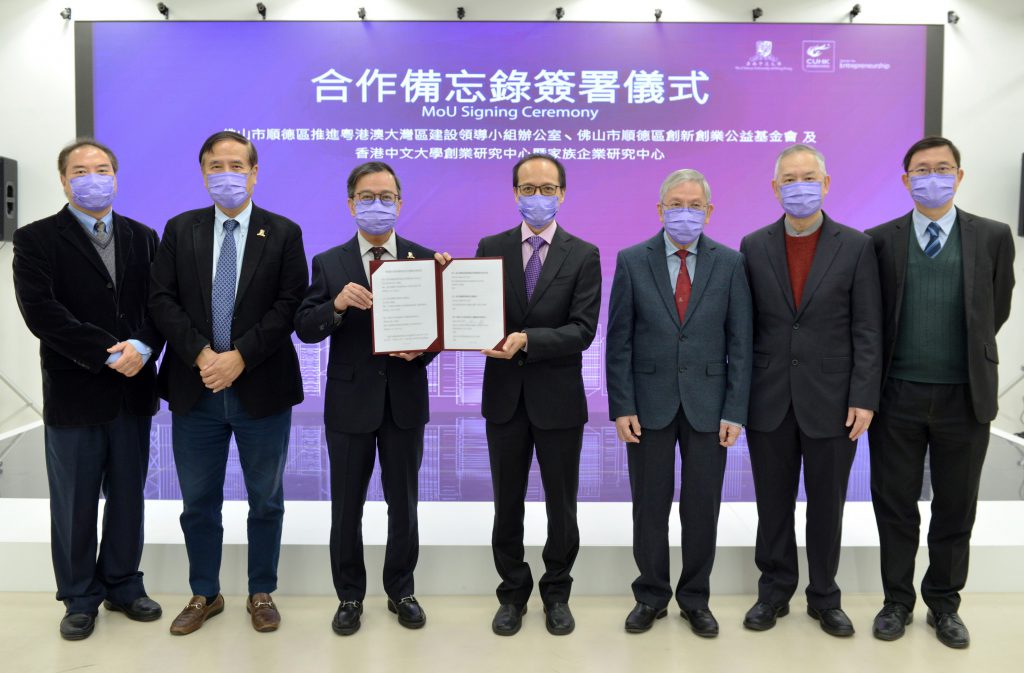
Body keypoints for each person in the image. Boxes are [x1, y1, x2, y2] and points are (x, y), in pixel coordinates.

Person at [149, 131, 308, 635]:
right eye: (215, 165)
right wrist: (202, 355)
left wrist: (239, 357)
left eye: (236, 165)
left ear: (255, 172)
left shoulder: (283, 232)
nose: (226, 174)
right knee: (198, 500)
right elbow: (161, 300)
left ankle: (261, 591)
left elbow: (289, 306)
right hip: (195, 387)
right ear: (202, 173)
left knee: (266, 498)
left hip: (261, 388)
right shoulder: (180, 229)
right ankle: (204, 592)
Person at [12, 139, 164, 640]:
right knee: (74, 502)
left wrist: (142, 346)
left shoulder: (144, 237)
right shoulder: (35, 240)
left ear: (116, 177)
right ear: (63, 180)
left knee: (128, 498)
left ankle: (123, 584)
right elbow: (42, 313)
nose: (92, 177)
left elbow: (161, 307)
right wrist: (108, 350)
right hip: (76, 391)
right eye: (81, 170)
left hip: (132, 390)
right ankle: (79, 597)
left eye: (101, 169)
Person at [867, 136, 1014, 649]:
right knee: (895, 505)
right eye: (922, 170)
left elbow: (995, 311)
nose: (934, 177)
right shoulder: (880, 240)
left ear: (959, 175)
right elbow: (873, 319)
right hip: (896, 396)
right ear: (906, 181)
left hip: (964, 396)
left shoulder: (993, 236)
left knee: (956, 507)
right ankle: (896, 602)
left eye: (943, 168)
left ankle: (944, 605)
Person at [295, 161, 449, 635]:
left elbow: (440, 334)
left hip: (404, 401)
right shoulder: (330, 261)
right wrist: (336, 306)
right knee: (347, 507)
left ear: (400, 203)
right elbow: (304, 326)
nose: (377, 205)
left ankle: (401, 590)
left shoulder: (424, 260)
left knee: (404, 504)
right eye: (367, 197)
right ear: (350, 204)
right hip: (349, 404)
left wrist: (421, 349)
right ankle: (348, 596)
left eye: (386, 197)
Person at [739, 145, 882, 637]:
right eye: (788, 179)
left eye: (808, 177)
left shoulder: (856, 245)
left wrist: (864, 395)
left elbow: (868, 328)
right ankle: (773, 593)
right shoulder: (753, 245)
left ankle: (824, 597)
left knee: (828, 505)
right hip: (769, 397)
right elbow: (745, 326)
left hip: (834, 400)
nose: (798, 186)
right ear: (775, 188)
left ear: (825, 182)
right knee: (771, 504)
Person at [607, 168, 752, 638]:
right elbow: (619, 342)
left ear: (709, 211)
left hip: (710, 407)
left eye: (694, 205)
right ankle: (650, 596)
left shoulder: (730, 264)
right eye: (676, 204)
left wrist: (735, 410)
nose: (684, 212)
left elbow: (741, 344)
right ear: (660, 209)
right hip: (647, 406)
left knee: (701, 507)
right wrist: (621, 405)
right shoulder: (632, 260)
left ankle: (695, 599)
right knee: (648, 506)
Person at [476, 153, 601, 636]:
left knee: (560, 505)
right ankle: (511, 595)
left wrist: (529, 340)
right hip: (504, 399)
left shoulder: (583, 253)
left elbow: (583, 330)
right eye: (528, 188)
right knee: (506, 504)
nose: (537, 197)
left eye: (547, 189)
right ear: (514, 193)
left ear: (562, 194)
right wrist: (447, 278)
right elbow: (476, 309)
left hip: (559, 400)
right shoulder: (491, 246)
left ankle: (557, 593)